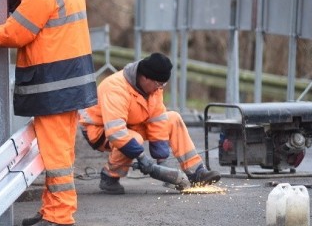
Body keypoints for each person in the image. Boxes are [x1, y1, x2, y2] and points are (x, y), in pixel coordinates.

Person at [0, 0, 98, 226]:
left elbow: (15, 33)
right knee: (62, 149)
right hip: (72, 82)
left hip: (53, 84)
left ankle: (59, 214)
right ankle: (53, 208)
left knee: (55, 152)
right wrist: (21, 3)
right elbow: (47, 24)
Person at [78, 52, 221, 194]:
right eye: (158, 84)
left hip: (130, 123)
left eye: (163, 84)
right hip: (99, 130)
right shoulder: (116, 88)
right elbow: (116, 132)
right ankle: (110, 176)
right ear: (145, 77)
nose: (160, 88)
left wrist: (162, 160)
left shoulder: (154, 87)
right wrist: (142, 158)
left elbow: (157, 120)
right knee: (134, 139)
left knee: (173, 118)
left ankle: (196, 172)